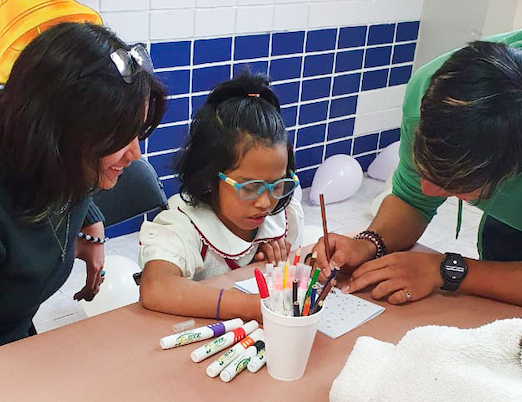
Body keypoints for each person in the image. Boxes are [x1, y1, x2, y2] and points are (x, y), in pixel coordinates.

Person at [313, 20, 522, 318]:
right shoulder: (435, 91)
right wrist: (370, 243)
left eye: (452, 185)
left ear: (513, 173)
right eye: (425, 168)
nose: (426, 188)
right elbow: (413, 201)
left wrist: (448, 270)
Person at [0, 22, 166, 345]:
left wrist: (92, 225)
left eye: (137, 132)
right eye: (120, 137)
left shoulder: (68, 166)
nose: (136, 153)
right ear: (55, 136)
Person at [139, 73, 304, 322]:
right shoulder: (182, 223)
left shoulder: (282, 217)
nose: (265, 202)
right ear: (208, 178)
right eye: (249, 187)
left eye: (277, 184)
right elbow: (156, 288)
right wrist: (251, 307)